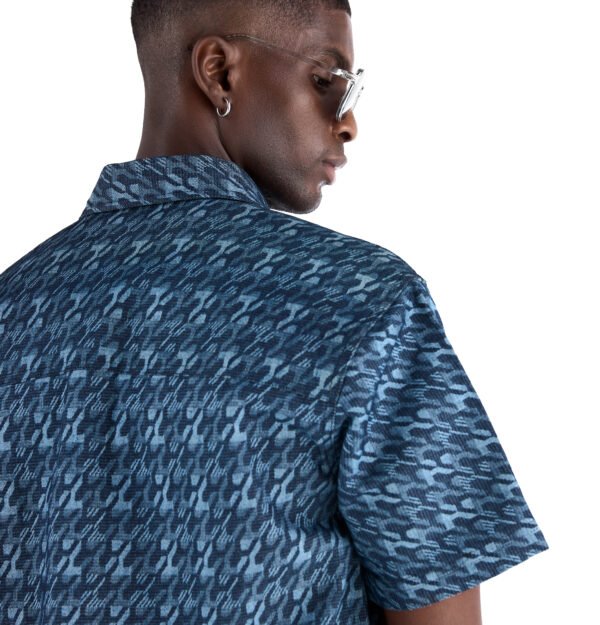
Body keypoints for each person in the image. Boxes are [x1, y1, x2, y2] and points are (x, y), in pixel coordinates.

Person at [0, 1, 548, 624]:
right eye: (327, 80)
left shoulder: (14, 305)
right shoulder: (358, 301)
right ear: (218, 72)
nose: (348, 123)